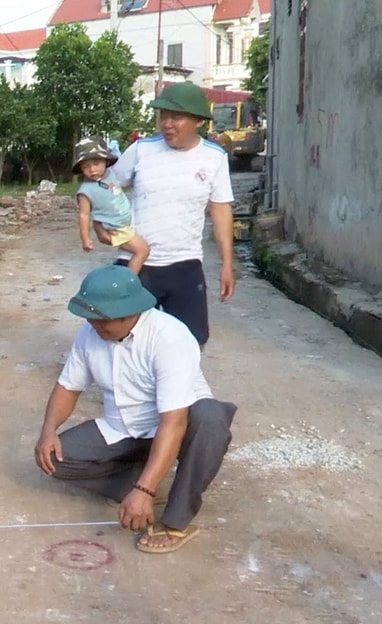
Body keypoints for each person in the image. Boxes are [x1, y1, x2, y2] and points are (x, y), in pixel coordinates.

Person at [34, 265, 238, 554]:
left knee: (211, 419)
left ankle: (175, 518)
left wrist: (144, 491)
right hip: (124, 427)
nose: (93, 324)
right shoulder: (90, 333)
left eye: (101, 319)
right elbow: (68, 387)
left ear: (130, 314)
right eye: (90, 317)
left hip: (177, 427)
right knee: (53, 458)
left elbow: (174, 421)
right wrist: (48, 431)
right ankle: (145, 479)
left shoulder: (170, 338)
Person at [102, 81, 237, 348]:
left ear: (198, 120)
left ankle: (178, 389)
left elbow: (221, 211)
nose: (167, 124)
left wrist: (227, 264)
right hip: (136, 264)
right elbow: (106, 191)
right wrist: (112, 232)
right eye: (163, 116)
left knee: (191, 342)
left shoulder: (214, 158)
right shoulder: (142, 150)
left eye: (176, 117)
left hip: (184, 265)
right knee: (123, 338)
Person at [73, 137, 150, 273]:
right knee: (142, 251)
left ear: (106, 161)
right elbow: (84, 215)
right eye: (86, 166)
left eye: (96, 163)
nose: (92, 170)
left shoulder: (111, 174)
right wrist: (85, 239)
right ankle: (129, 282)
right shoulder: (85, 191)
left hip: (125, 222)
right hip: (116, 228)